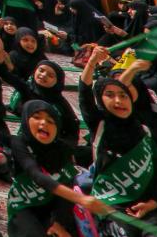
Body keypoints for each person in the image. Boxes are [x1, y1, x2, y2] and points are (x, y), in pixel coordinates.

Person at [79, 48, 157, 236]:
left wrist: (153, 203)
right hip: (113, 201)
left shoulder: (147, 131)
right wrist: (92, 62)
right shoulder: (101, 124)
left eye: (124, 95)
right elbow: (84, 93)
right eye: (110, 95)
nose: (119, 100)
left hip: (149, 202)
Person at [8, 100, 111, 237]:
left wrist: (59, 222)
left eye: (51, 121)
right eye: (37, 117)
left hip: (52, 207)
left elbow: (67, 183)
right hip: (23, 206)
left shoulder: (62, 150)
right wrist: (81, 199)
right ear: (26, 120)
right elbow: (36, 175)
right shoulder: (19, 143)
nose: (44, 123)